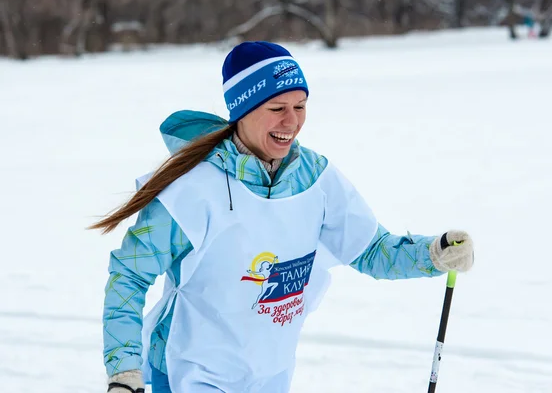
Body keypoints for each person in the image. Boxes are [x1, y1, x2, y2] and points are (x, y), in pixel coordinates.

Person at [90, 41, 474, 393]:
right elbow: (130, 274)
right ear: (243, 110)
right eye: (277, 108)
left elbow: (371, 249)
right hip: (191, 372)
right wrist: (124, 372)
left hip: (269, 376)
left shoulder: (316, 179)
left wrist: (433, 254)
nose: (291, 121)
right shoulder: (193, 189)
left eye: (300, 106)